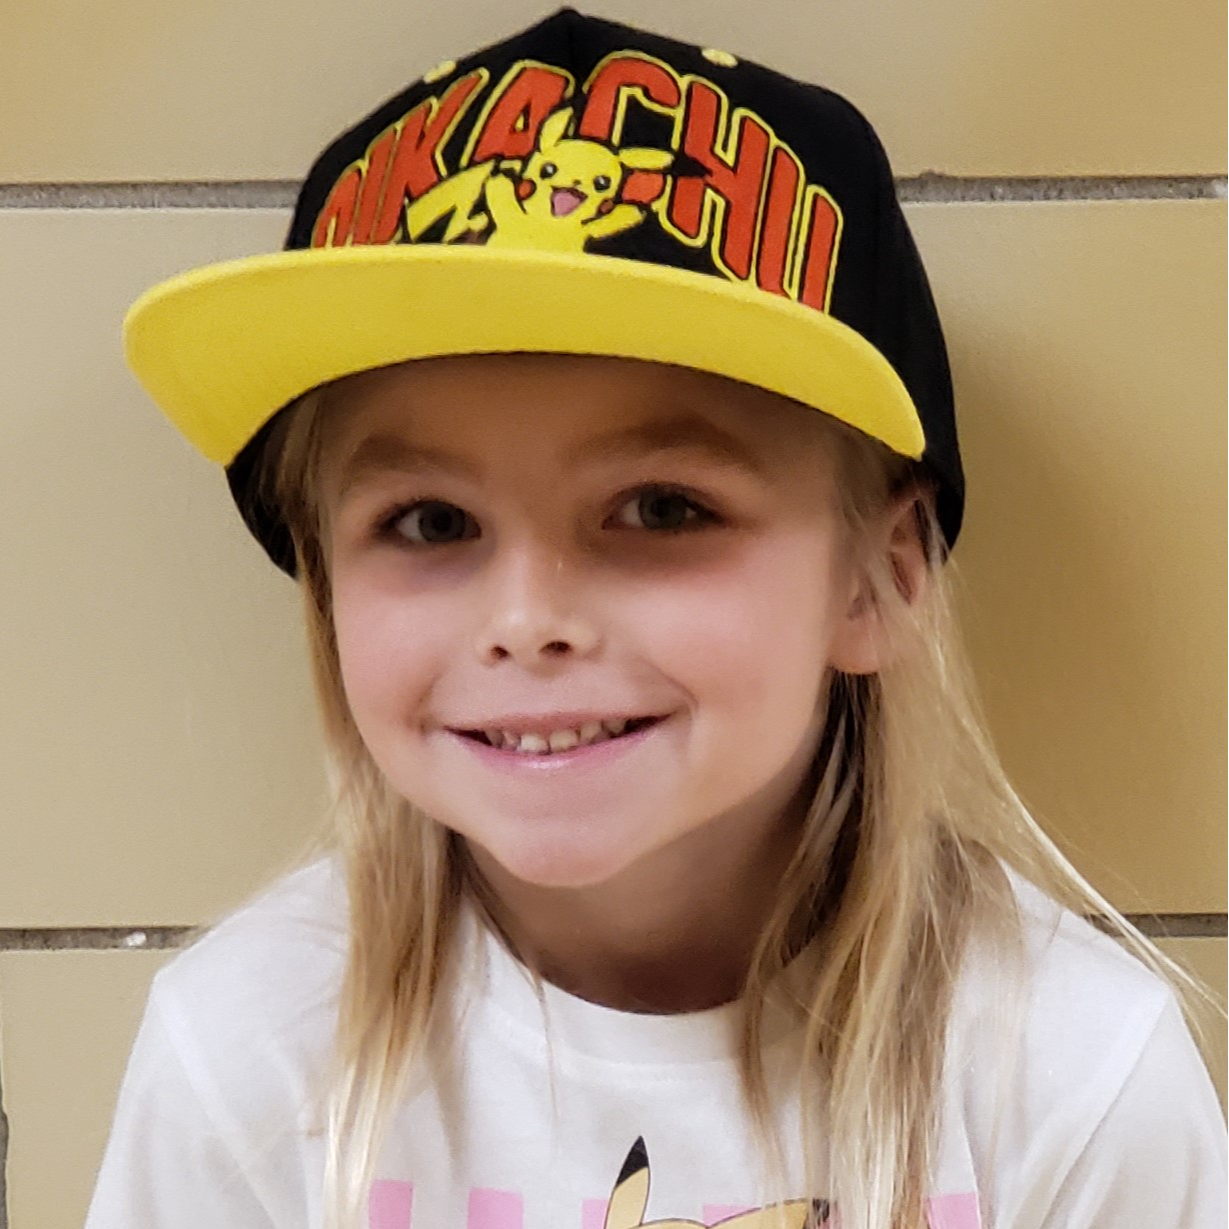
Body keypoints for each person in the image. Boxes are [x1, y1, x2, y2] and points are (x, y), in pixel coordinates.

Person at [86, 9, 1226, 1229]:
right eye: (428, 522)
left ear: (877, 578)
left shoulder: (1069, 1076)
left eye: (662, 506)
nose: (527, 620)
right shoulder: (248, 1059)